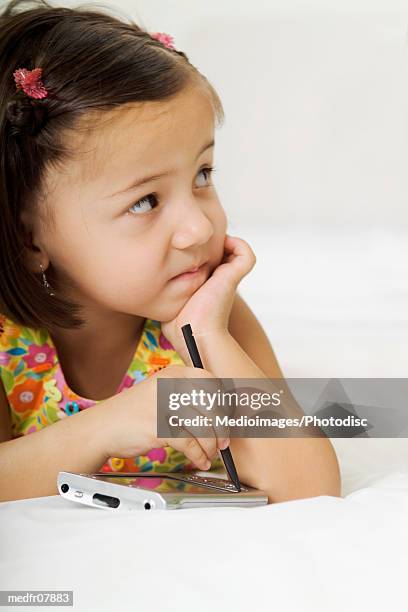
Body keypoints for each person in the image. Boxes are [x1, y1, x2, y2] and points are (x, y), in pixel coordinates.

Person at [0, 0, 341, 502]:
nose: (198, 227)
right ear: (30, 239)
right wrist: (108, 426)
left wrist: (206, 335)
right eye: (145, 201)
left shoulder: (209, 317)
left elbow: (310, 488)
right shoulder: (8, 338)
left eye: (203, 175)